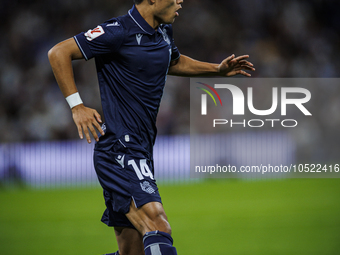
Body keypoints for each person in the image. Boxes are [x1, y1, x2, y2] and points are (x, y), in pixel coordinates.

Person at [48, 0, 254, 254]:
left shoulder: (163, 31)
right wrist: (77, 106)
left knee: (132, 252)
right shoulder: (117, 31)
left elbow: (173, 62)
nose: (180, 2)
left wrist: (217, 70)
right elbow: (58, 52)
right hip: (120, 148)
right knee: (158, 225)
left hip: (141, 148)